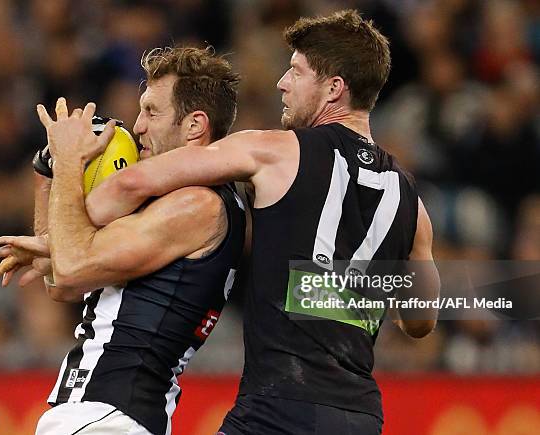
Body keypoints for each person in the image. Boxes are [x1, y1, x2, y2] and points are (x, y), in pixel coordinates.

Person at [63, 10, 440, 435]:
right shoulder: (412, 203)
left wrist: (73, 225)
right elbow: (420, 321)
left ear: (334, 88)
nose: (282, 82)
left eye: (296, 72)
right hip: (360, 417)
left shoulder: (274, 152)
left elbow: (133, 181)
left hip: (278, 410)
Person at [0, 47, 245, 435]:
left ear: (195, 125)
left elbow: (69, 268)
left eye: (152, 112)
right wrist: (50, 166)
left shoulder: (198, 204)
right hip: (107, 415)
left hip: (108, 414)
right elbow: (59, 282)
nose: (137, 127)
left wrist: (71, 162)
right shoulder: (165, 203)